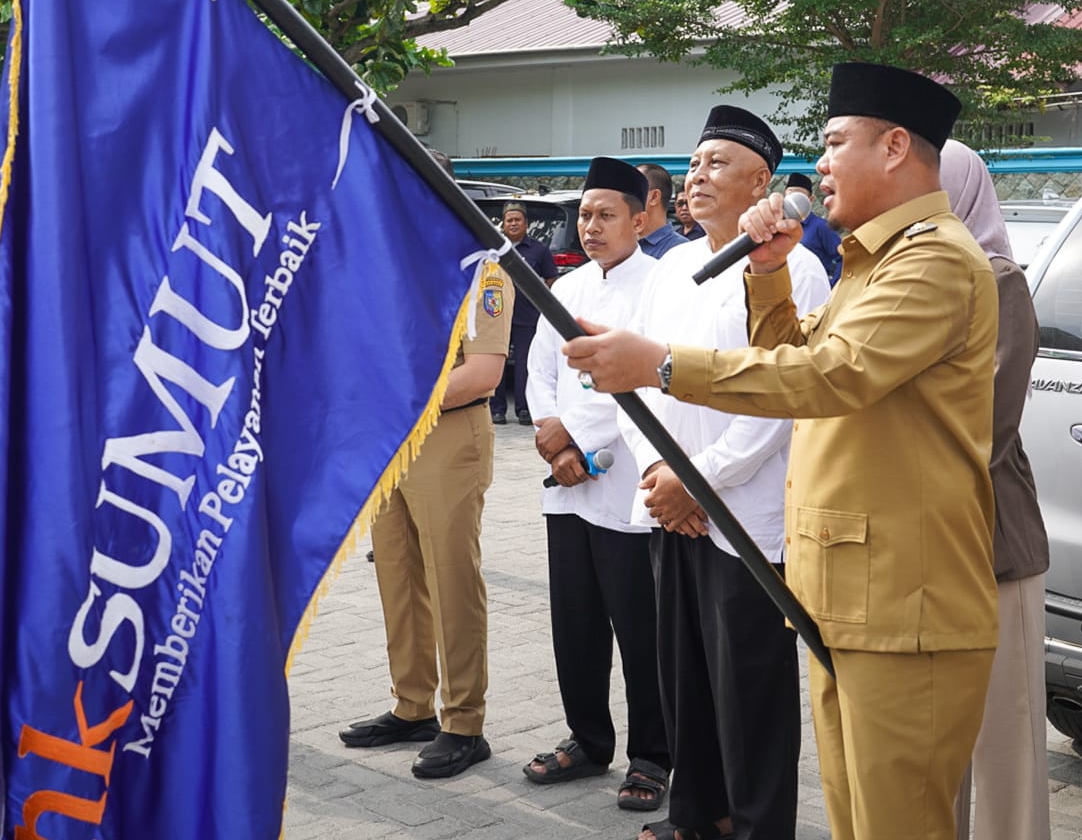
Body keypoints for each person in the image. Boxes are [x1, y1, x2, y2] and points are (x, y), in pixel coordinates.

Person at [563, 63, 999, 840]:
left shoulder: (930, 258)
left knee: (897, 823)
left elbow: (828, 377)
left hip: (907, 603)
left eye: (834, 144)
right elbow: (797, 352)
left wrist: (662, 365)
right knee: (856, 816)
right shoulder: (873, 261)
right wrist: (765, 272)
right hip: (855, 597)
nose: (819, 165)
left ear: (895, 146)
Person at [615, 107, 830, 840]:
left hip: (743, 515)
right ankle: (693, 815)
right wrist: (657, 473)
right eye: (693, 161)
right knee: (685, 677)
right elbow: (632, 373)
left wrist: (696, 480)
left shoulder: (793, 267)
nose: (695, 175)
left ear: (760, 181)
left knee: (749, 690)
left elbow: (781, 399)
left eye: (716, 163)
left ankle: (758, 825)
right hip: (671, 502)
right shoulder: (673, 263)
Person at [339, 171, 513, 780]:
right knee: (397, 572)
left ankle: (463, 721)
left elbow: (484, 372)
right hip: (393, 442)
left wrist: (399, 399)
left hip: (448, 438)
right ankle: (412, 704)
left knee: (451, 578)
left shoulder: (484, 273)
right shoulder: (391, 266)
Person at [521, 156, 670, 813]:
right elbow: (538, 369)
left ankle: (652, 754)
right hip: (565, 481)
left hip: (625, 489)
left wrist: (579, 443)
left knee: (640, 627)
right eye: (584, 213)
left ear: (640, 218)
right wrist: (550, 432)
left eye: (606, 213)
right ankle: (587, 737)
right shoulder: (569, 286)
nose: (591, 225)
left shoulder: (664, 286)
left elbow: (640, 380)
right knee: (574, 622)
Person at [940, 140, 1050, 840]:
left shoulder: (997, 280)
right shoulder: (893, 279)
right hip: (925, 550)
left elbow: (980, 430)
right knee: (931, 754)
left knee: (1004, 749)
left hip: (993, 546)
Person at [493, 201, 558, 425]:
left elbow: (551, 280)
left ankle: (524, 409)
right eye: (509, 220)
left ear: (525, 224)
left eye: (517, 220)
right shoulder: (494, 249)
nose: (513, 223)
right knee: (497, 362)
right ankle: (497, 410)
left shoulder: (539, 250)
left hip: (527, 316)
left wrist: (542, 305)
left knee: (525, 365)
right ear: (503, 223)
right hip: (496, 315)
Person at [785, 171, 841, 284]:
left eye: (799, 196)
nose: (793, 200)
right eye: (790, 194)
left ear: (810, 200)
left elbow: (842, 257)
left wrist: (832, 285)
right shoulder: (779, 227)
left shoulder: (821, 226)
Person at [634, 162, 689, 259]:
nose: (624, 198)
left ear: (654, 197)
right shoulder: (622, 246)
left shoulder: (682, 251)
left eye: (632, 190)